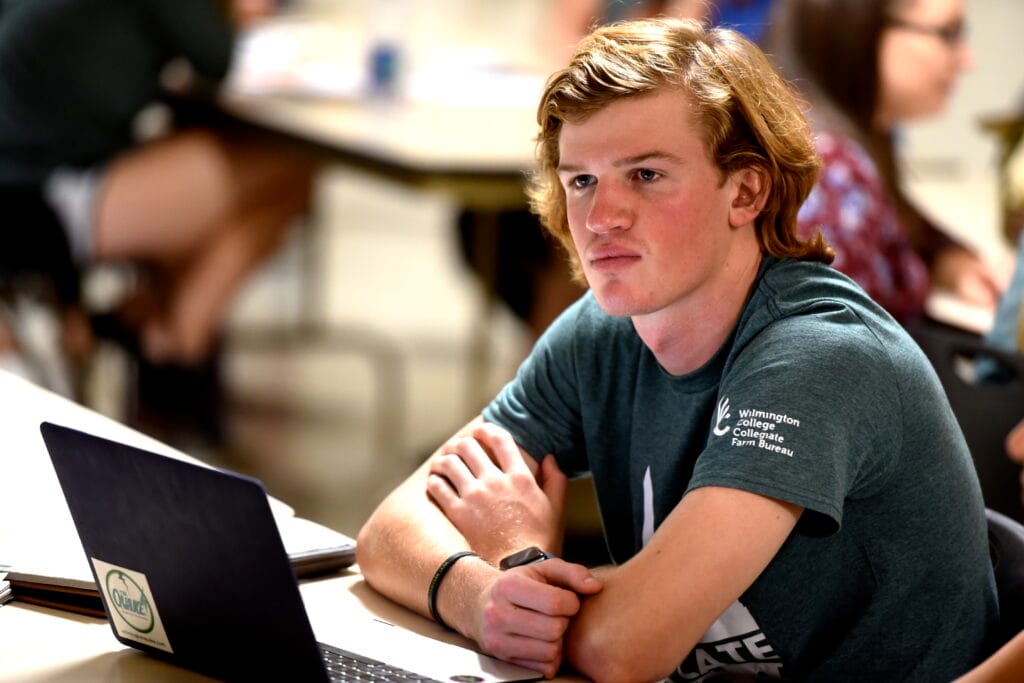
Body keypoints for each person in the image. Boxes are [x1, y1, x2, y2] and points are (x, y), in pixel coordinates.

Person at [357, 17, 997, 681]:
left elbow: (622, 647)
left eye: (645, 175)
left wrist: (517, 553)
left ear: (746, 191)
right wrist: (480, 597)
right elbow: (389, 529)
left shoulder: (816, 358)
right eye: (582, 181)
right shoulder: (605, 330)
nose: (601, 218)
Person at [0, 0, 315, 373]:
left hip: (38, 174)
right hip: (33, 202)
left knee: (268, 182)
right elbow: (217, 57)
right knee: (291, 167)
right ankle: (170, 340)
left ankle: (162, 331)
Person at [763, 0, 1005, 326]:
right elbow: (837, 343)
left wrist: (948, 259)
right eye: (948, 33)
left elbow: (911, 227)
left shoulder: (837, 142)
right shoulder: (830, 169)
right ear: (860, 29)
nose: (967, 59)